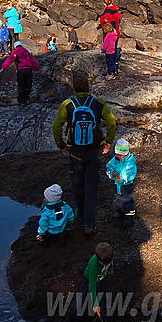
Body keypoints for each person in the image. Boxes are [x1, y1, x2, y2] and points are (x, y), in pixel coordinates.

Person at [51, 72, 117, 235]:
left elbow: (55, 127)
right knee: (92, 186)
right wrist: (108, 141)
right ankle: (89, 224)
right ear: (88, 86)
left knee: (77, 183)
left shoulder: (67, 104)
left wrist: (62, 146)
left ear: (74, 87)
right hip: (94, 150)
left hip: (75, 152)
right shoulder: (98, 102)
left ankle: (80, 213)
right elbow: (111, 122)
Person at [65, 242, 114, 322]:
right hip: (89, 280)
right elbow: (92, 286)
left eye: (108, 264)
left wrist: (110, 269)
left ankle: (101, 321)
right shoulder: (94, 264)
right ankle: (70, 319)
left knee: (105, 297)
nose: (106, 266)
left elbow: (110, 263)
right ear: (99, 260)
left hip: (102, 278)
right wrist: (95, 304)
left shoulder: (108, 259)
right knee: (82, 298)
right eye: (104, 264)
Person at [105, 139, 137, 227]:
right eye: (117, 154)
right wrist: (112, 174)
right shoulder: (114, 160)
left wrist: (122, 179)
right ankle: (119, 211)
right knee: (118, 198)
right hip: (117, 184)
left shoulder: (130, 162)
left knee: (128, 200)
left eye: (121, 155)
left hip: (127, 186)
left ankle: (129, 218)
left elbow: (131, 174)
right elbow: (109, 167)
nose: (119, 156)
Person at [0, 41, 40, 105]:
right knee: (28, 85)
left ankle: (21, 101)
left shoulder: (15, 52)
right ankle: (27, 99)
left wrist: (3, 67)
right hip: (29, 70)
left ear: (15, 47)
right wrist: (37, 68)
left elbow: (9, 60)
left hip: (21, 71)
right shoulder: (27, 52)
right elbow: (33, 61)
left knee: (21, 86)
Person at [98, 0, 121, 75]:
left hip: (110, 35)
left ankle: (111, 71)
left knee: (110, 55)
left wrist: (108, 32)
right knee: (114, 52)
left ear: (104, 3)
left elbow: (110, 24)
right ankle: (114, 69)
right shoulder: (115, 9)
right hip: (116, 33)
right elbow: (117, 21)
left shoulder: (108, 12)